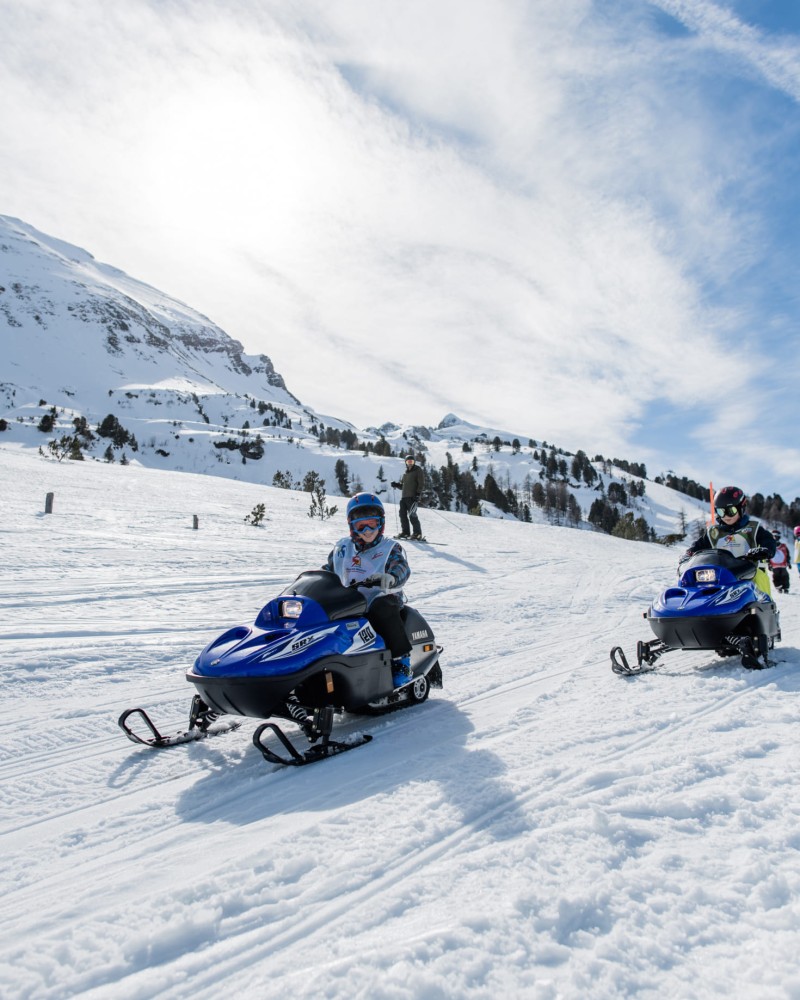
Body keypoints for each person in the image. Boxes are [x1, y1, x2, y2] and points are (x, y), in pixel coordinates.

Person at [323, 492, 414, 688]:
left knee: (381, 607)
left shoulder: (389, 548)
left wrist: (391, 577)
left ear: (381, 523)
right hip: (349, 601)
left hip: (382, 598)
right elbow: (328, 571)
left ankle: (401, 661)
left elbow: (402, 568)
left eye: (371, 523)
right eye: (360, 525)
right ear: (351, 526)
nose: (367, 530)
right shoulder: (342, 548)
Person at [683, 485, 777, 597]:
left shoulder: (753, 528)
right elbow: (699, 546)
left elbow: (768, 540)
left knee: (757, 587)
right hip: (722, 579)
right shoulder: (714, 533)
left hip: (751, 576)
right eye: (721, 511)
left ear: (741, 508)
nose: (726, 516)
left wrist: (765, 550)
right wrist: (690, 553)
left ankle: (762, 609)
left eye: (731, 511)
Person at [391, 454, 425, 540]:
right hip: (404, 497)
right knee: (402, 515)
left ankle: (417, 534)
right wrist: (396, 485)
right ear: (406, 463)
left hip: (412, 497)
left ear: (414, 462)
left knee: (412, 515)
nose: (410, 463)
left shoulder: (418, 470)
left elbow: (421, 483)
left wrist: (417, 494)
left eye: (412, 461)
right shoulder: (405, 473)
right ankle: (405, 532)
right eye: (408, 461)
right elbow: (403, 486)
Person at [769, 530, 791, 594]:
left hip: (783, 565)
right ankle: (779, 587)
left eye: (777, 537)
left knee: (785, 576)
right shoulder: (770, 546)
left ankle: (786, 588)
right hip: (774, 565)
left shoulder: (783, 546)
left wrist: (788, 562)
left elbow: (787, 554)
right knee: (776, 576)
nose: (775, 538)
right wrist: (769, 564)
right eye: (774, 537)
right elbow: (768, 555)